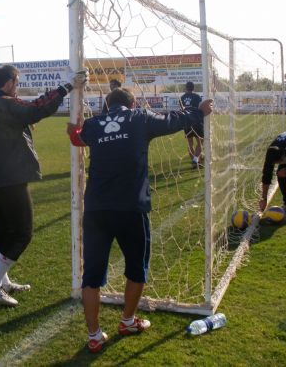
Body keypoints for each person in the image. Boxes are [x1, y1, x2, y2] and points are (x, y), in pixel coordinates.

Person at [66, 88, 213, 352]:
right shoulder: (140, 118)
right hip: (131, 208)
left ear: (106, 107)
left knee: (92, 274)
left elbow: (78, 139)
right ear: (132, 104)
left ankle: (94, 335)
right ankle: (128, 321)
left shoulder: (92, 125)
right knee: (137, 267)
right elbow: (175, 119)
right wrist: (199, 110)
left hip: (97, 209)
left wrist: (72, 129)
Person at [0, 64, 87, 307]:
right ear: (10, 82)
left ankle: (2, 281)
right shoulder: (1, 103)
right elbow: (35, 108)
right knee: (23, 232)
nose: (17, 87)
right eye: (17, 82)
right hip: (10, 176)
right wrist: (67, 87)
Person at [259, 131, 286, 219]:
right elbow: (266, 176)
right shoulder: (271, 152)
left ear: (282, 158)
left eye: (277, 162)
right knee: (280, 173)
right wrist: (264, 198)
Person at [180, 81, 204, 167]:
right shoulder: (197, 97)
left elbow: (181, 110)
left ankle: (195, 163)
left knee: (190, 144)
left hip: (186, 123)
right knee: (200, 142)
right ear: (193, 88)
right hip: (196, 122)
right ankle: (195, 159)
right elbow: (201, 108)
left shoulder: (181, 98)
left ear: (186, 88)